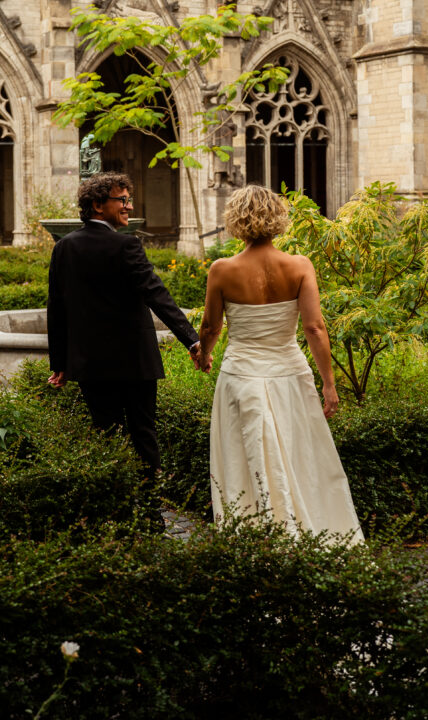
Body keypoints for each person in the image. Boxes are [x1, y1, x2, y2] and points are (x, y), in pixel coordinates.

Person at [199, 184, 363, 543]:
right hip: (290, 372)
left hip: (241, 374)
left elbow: (211, 326)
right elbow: (315, 328)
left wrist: (205, 353)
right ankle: (313, 529)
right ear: (277, 218)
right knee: (300, 452)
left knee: (243, 454)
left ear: (236, 220)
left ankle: (252, 535)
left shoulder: (222, 270)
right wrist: (329, 383)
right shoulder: (299, 265)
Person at [47, 172, 201, 481]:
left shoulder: (64, 247)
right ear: (97, 205)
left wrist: (59, 363)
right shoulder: (126, 245)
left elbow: (57, 308)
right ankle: (150, 501)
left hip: (89, 363)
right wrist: (192, 340)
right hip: (134, 362)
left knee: (107, 436)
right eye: (123, 200)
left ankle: (117, 498)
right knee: (144, 432)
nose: (129, 207)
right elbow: (156, 294)